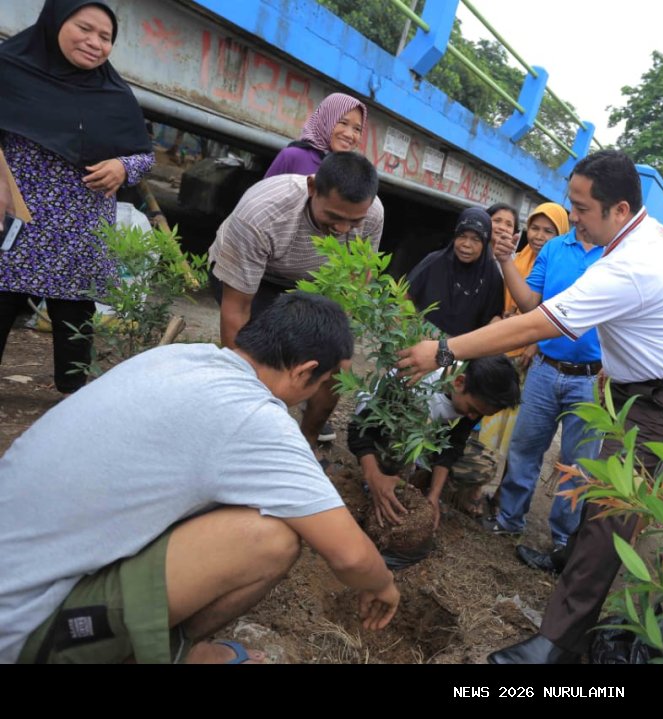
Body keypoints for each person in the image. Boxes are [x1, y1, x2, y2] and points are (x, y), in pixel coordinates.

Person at [397, 149, 663, 664]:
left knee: (612, 513)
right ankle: (573, 580)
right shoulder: (640, 234)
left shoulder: (632, 264)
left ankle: (557, 647)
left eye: (582, 208)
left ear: (620, 207)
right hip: (639, 388)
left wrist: (446, 349)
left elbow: (537, 322)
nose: (574, 218)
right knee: (598, 499)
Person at [0, 293, 400, 664]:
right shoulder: (251, 415)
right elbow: (349, 555)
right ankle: (170, 652)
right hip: (25, 626)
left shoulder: (179, 358)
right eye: (327, 382)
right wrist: (383, 586)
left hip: (17, 570)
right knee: (272, 538)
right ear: (305, 371)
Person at [0, 0, 154, 394]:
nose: (94, 43)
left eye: (106, 37)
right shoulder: (10, 69)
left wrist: (123, 167)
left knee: (75, 314)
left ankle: (72, 394)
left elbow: (143, 153)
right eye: (84, 28)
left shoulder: (114, 93)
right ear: (54, 22)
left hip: (80, 230)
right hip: (16, 218)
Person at [207, 151, 378, 450]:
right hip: (255, 282)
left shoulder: (372, 214)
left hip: (312, 286)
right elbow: (237, 310)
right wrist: (244, 384)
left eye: (353, 221)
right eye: (334, 217)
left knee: (338, 363)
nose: (342, 229)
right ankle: (246, 433)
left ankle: (306, 442)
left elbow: (356, 279)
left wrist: (337, 338)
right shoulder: (263, 213)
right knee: (265, 361)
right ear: (312, 188)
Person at [481, 212, 603, 575]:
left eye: (583, 205)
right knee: (525, 446)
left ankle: (564, 539)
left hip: (591, 379)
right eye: (574, 207)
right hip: (545, 368)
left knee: (577, 463)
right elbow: (530, 303)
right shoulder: (554, 248)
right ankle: (509, 518)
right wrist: (505, 260)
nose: (578, 214)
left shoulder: (614, 255)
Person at [348, 355, 520, 531]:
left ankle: (419, 479)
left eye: (480, 413)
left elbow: (455, 443)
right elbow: (358, 431)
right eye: (472, 410)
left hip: (427, 441)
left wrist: (434, 495)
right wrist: (373, 476)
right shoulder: (414, 380)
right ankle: (384, 478)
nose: (473, 417)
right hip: (389, 440)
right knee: (396, 450)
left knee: (483, 464)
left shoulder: (479, 398)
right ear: (459, 382)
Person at [477, 203, 571, 484]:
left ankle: (501, 493)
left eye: (549, 231)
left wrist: (535, 344)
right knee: (487, 420)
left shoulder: (561, 269)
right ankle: (476, 484)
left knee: (519, 433)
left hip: (531, 359)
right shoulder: (515, 260)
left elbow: (555, 315)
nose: (539, 236)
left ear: (562, 233)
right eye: (535, 228)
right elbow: (499, 297)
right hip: (501, 347)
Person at [264, 92, 384, 250]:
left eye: (357, 129)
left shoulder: (353, 172)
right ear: (326, 119)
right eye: (343, 123)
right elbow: (264, 204)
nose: (349, 134)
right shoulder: (293, 156)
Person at [406, 207, 504, 337]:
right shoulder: (434, 261)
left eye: (475, 239)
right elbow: (405, 296)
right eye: (462, 236)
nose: (466, 244)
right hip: (420, 338)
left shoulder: (492, 277)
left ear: (485, 243)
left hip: (462, 349)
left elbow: (494, 319)